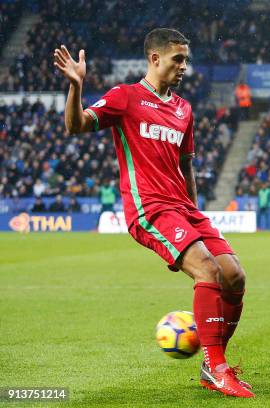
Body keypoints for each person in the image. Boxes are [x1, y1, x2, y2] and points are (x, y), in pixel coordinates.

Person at [53, 28, 253, 398]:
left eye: (186, 60)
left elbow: (186, 165)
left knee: (235, 276)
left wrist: (195, 211)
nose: (184, 67)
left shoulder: (184, 109)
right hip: (149, 207)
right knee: (207, 270)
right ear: (154, 58)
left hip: (183, 207)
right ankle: (218, 367)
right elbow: (75, 125)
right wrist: (76, 86)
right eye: (178, 59)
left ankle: (213, 364)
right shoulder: (125, 97)